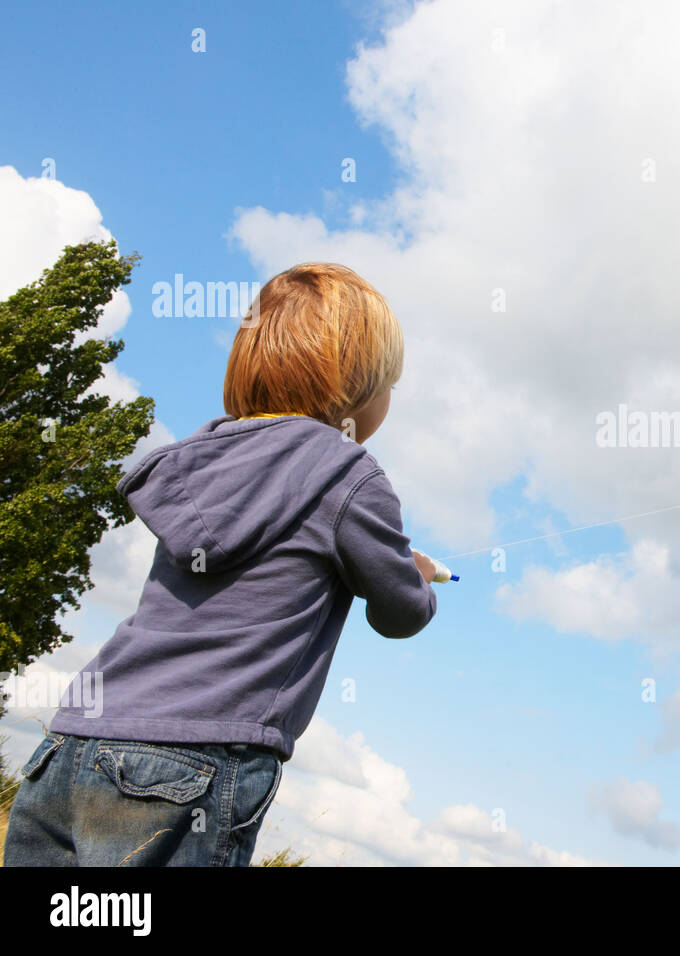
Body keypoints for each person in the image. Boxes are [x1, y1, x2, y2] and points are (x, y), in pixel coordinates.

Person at [4, 263, 438, 866]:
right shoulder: (348, 474)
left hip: (69, 745)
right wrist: (415, 574)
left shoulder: (202, 460)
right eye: (391, 383)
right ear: (359, 385)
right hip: (190, 765)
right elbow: (400, 613)